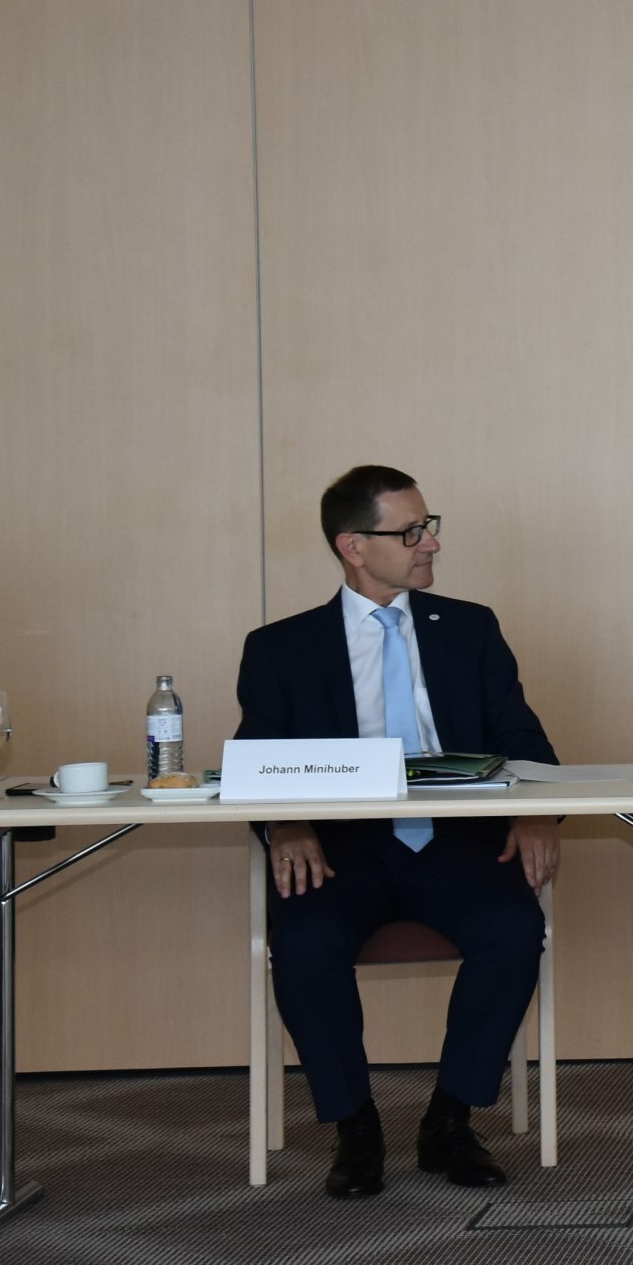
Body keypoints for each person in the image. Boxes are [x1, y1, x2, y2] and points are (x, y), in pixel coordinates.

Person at [235, 465, 559, 1199]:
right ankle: (356, 1127)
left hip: (456, 842)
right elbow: (259, 758)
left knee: (512, 929)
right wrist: (286, 823)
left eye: (429, 525)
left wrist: (538, 810)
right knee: (306, 943)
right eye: (410, 532)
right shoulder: (281, 648)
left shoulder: (470, 628)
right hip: (342, 849)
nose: (430, 543)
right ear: (353, 546)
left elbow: (523, 736)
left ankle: (449, 1119)